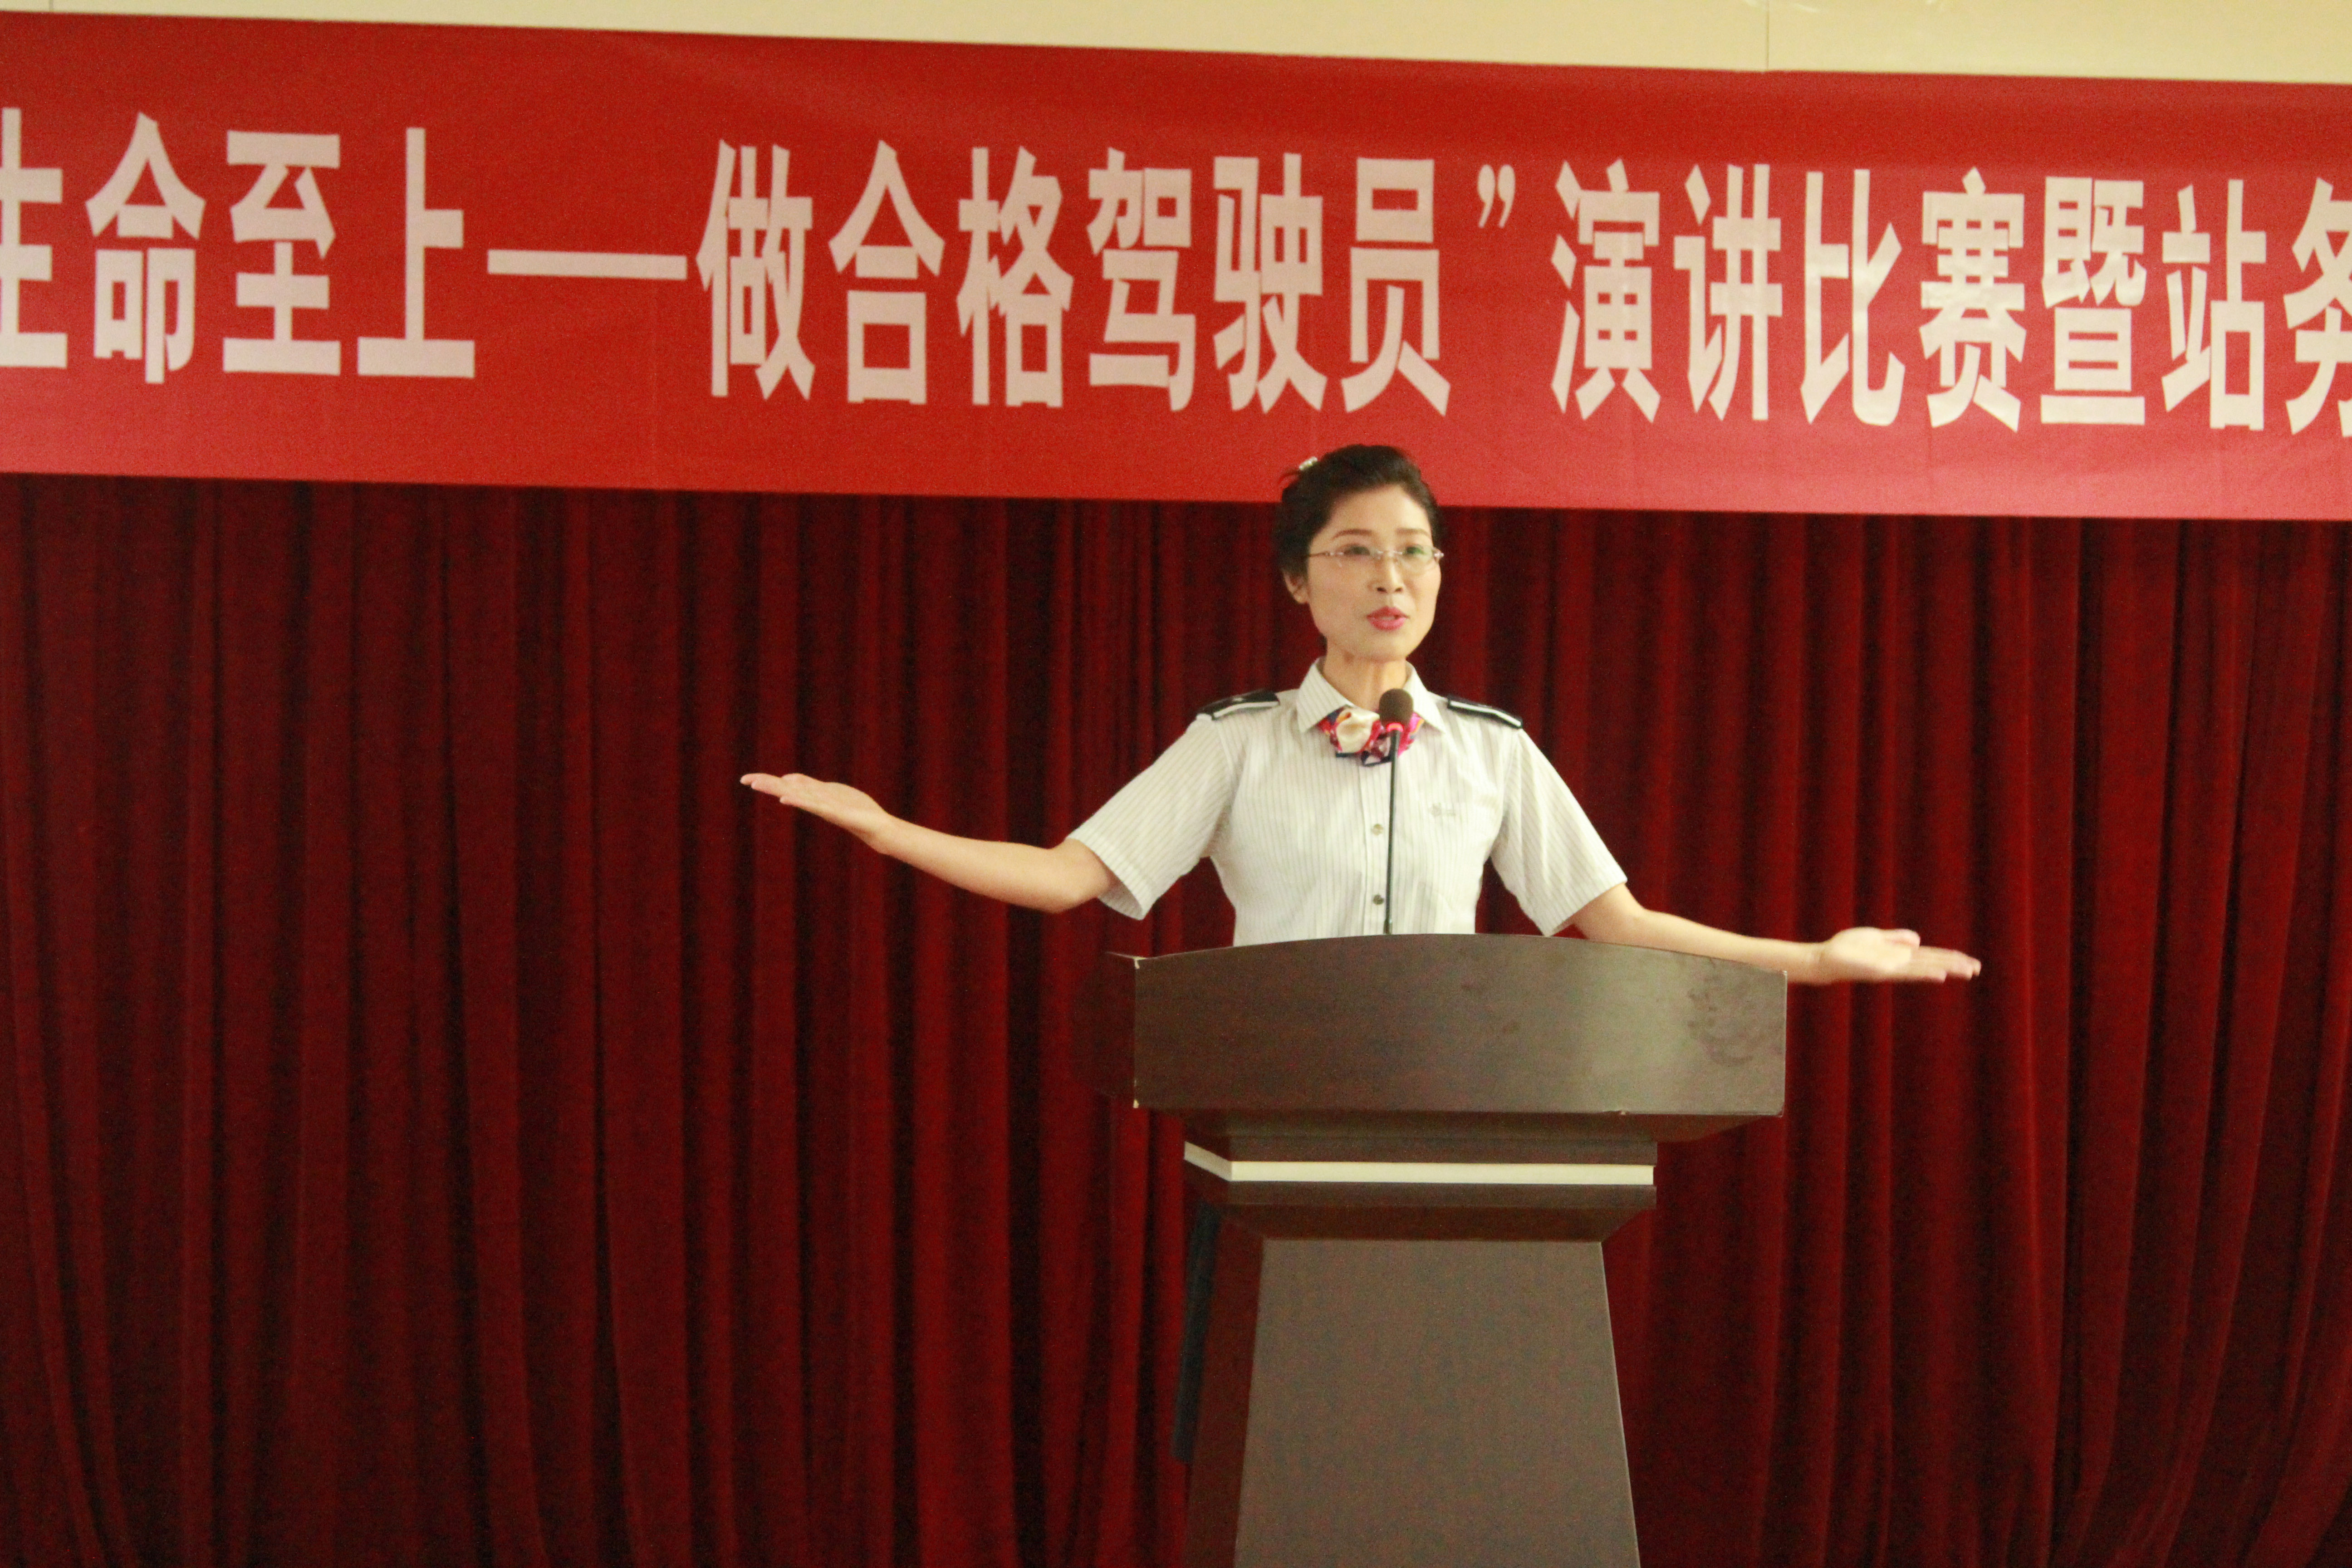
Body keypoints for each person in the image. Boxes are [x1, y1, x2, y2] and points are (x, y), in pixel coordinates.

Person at [742, 444, 1980, 987]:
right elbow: (1071, 877)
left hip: (1447, 1106)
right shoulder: (1238, 742)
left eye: (1414, 550)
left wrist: (1815, 962)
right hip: (1278, 1114)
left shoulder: (1492, 751)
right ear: (1298, 579)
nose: (1392, 578)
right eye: (1354, 551)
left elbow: (1619, 925)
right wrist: (886, 828)